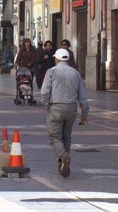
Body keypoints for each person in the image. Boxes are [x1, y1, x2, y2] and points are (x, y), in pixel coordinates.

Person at [40, 48, 88, 178]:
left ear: (57, 59)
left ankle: (64, 156)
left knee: (55, 137)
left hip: (56, 107)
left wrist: (47, 105)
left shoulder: (51, 71)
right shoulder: (75, 73)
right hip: (71, 108)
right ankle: (62, 165)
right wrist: (84, 114)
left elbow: (44, 92)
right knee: (66, 137)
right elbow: (83, 96)